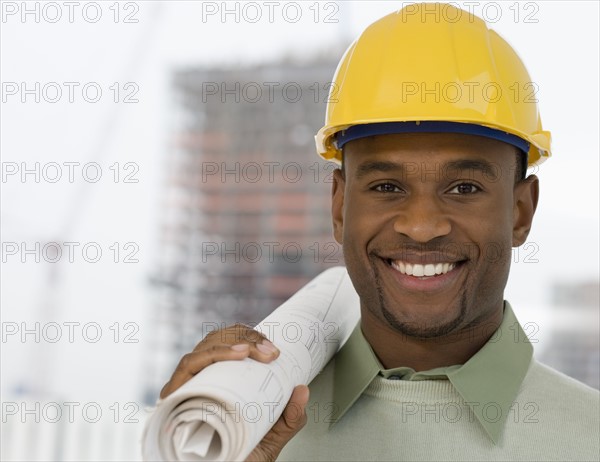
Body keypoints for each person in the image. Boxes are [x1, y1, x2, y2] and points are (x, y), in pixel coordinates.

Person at [159, 3, 599, 461]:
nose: (422, 227)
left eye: (464, 187)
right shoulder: (240, 425)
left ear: (521, 212)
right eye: (387, 186)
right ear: (339, 206)